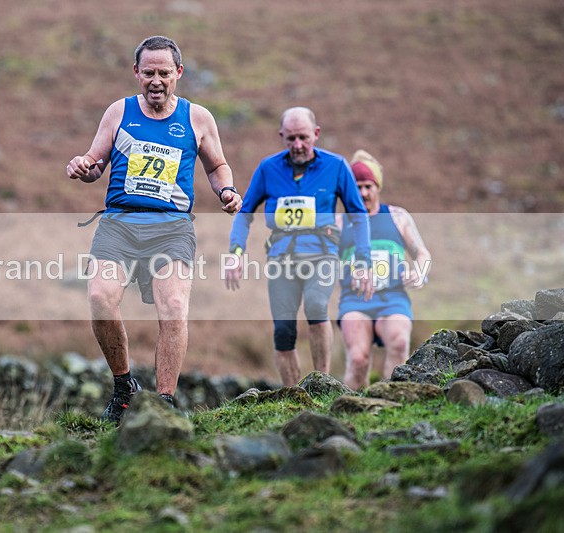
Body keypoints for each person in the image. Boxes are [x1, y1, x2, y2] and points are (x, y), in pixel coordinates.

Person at [66, 36, 242, 424]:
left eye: (164, 72)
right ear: (136, 73)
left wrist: (226, 190)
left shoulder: (198, 118)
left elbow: (217, 166)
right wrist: (83, 166)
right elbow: (96, 163)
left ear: (179, 73)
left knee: (174, 307)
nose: (156, 80)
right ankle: (124, 386)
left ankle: (163, 402)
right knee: (99, 297)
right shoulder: (119, 112)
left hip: (172, 228)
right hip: (119, 225)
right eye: (149, 73)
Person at [224, 107, 373, 386]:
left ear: (316, 134)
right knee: (283, 331)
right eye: (290, 138)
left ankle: (322, 384)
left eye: (303, 137)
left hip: (323, 253)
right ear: (281, 136)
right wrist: (236, 253)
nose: (298, 145)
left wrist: (363, 261)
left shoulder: (337, 166)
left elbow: (358, 215)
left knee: (317, 305)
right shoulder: (268, 169)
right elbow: (244, 214)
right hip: (282, 258)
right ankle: (294, 395)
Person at [337, 150, 431, 390]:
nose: (363, 193)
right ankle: (351, 411)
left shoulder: (398, 217)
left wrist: (419, 273)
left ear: (378, 186)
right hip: (355, 300)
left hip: (393, 298)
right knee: (358, 359)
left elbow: (422, 253)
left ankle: (392, 403)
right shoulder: (339, 223)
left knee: (399, 345)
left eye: (368, 186)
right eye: (357, 187)